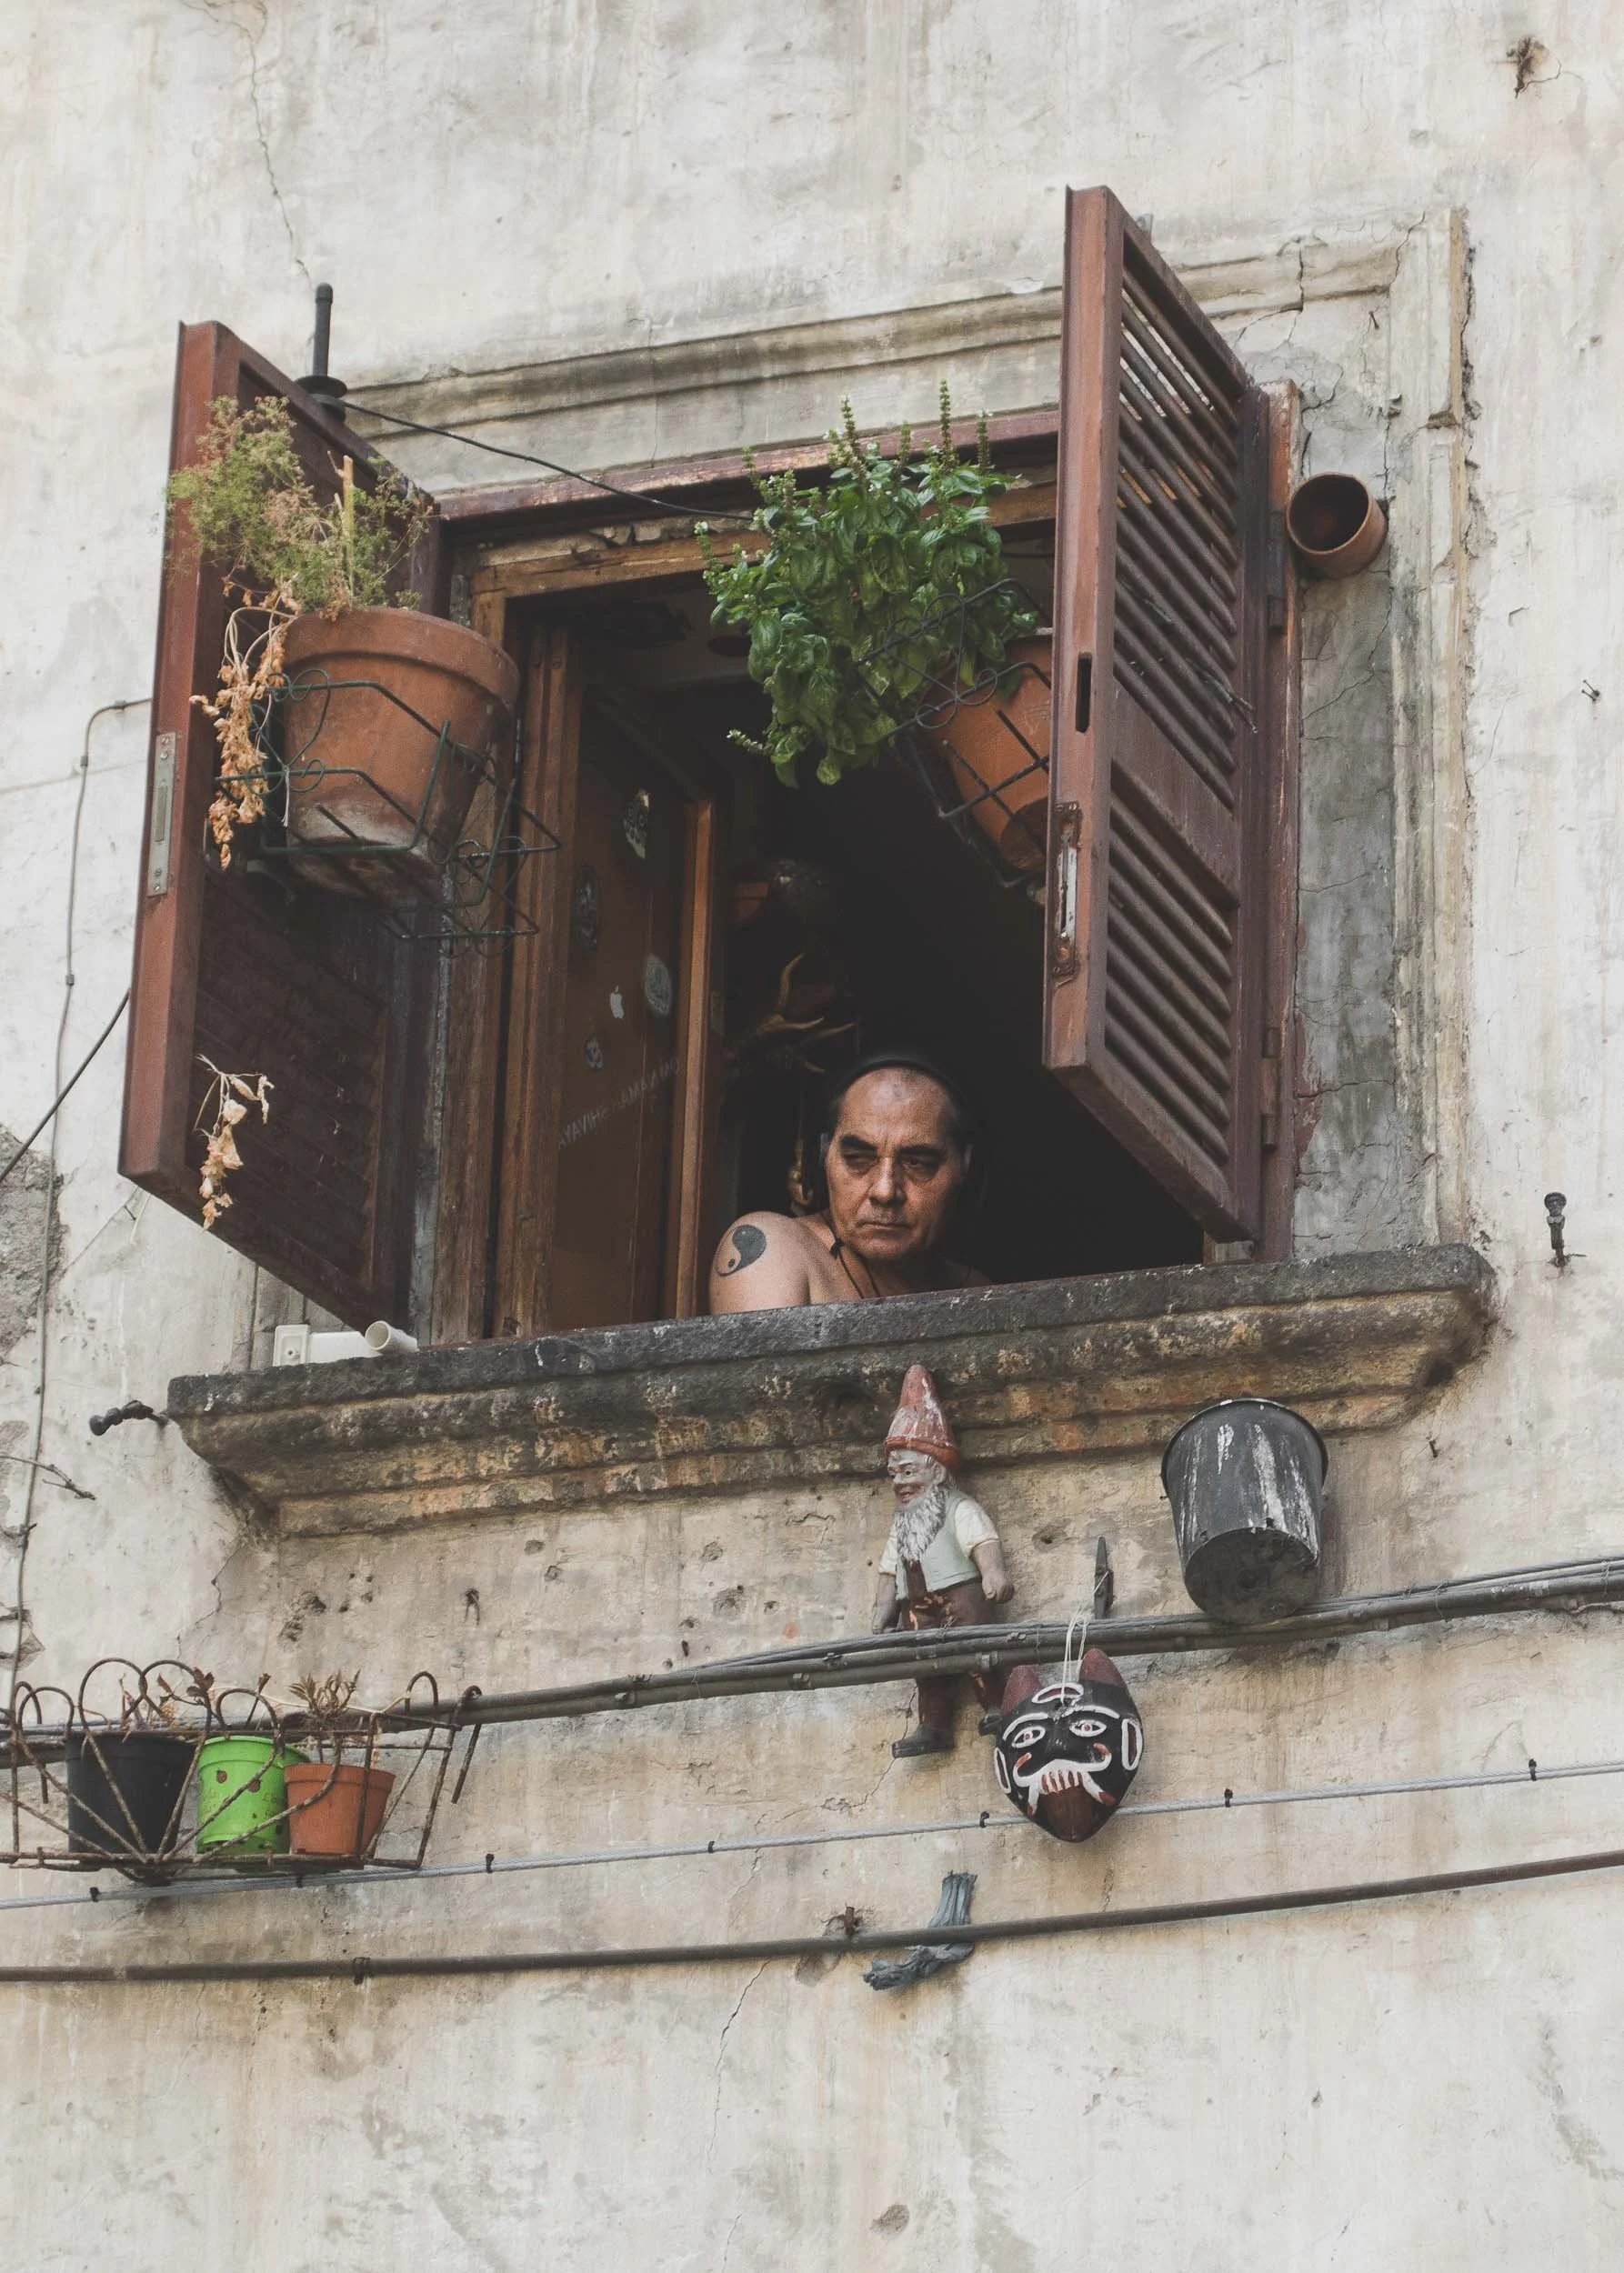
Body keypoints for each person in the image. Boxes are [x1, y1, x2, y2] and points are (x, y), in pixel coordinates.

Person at [707, 1052, 986, 1313]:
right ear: (823, 1158)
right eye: (857, 1159)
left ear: (965, 1167)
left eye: (917, 1163)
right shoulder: (772, 1251)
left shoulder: (978, 1292)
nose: (885, 1191)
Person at [871, 1365, 1013, 1756]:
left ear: (936, 1471)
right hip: (916, 1605)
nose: (900, 1482)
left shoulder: (958, 1508)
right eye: (894, 1474)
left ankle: (997, 1706)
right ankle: (933, 1726)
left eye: (908, 1471)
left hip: (960, 1595)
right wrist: (883, 1610)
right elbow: (889, 1568)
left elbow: (982, 1540)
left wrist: (993, 1573)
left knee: (978, 1651)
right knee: (925, 1665)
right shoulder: (902, 1523)